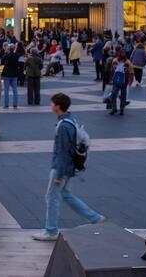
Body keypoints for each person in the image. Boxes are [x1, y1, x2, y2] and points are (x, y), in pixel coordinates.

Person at [33, 93, 104, 241]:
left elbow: (62, 152)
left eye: (52, 103)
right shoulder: (70, 121)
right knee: (66, 194)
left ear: (58, 106)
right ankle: (95, 218)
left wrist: (58, 176)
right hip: (69, 166)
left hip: (61, 168)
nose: (50, 105)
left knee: (52, 197)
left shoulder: (63, 126)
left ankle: (51, 231)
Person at [1, 45, 21, 109]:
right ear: (14, 48)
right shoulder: (17, 55)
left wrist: (5, 53)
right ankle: (15, 104)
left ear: (9, 49)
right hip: (14, 73)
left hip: (7, 73)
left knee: (6, 90)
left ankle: (6, 104)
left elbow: (2, 62)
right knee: (15, 90)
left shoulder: (7, 55)